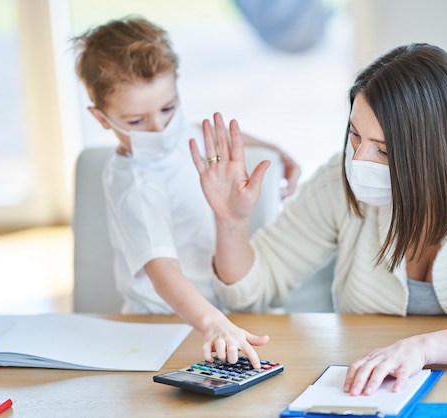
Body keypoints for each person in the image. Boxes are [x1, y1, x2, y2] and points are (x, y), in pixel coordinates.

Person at [190, 43, 447, 394]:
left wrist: (423, 348)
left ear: (439, 151)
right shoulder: (339, 179)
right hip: (380, 389)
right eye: (355, 134)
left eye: (383, 150)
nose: (359, 160)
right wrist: (231, 222)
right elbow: (248, 293)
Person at [71, 16, 301, 368]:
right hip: (164, 327)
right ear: (102, 118)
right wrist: (214, 323)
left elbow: (194, 130)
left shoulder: (176, 132)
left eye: (168, 108)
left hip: (216, 316)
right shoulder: (135, 187)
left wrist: (276, 151)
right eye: (137, 121)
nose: (160, 128)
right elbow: (164, 274)